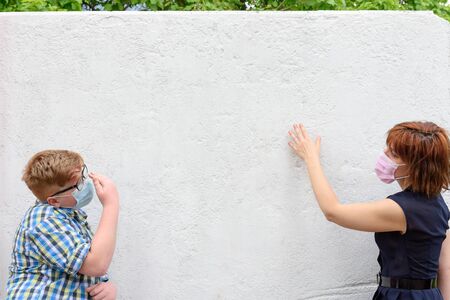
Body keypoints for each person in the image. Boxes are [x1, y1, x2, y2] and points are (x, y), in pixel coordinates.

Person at [288, 121, 450, 299]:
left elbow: (332, 211)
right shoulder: (436, 203)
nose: (385, 154)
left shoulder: (402, 209)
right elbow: (445, 264)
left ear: (416, 167)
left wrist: (311, 158)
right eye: (388, 148)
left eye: (394, 154)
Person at [6, 150, 119, 299]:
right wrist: (111, 204)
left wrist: (105, 286)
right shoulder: (44, 221)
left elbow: (85, 261)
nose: (85, 185)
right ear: (54, 200)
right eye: (77, 185)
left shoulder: (70, 216)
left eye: (83, 177)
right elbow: (96, 264)